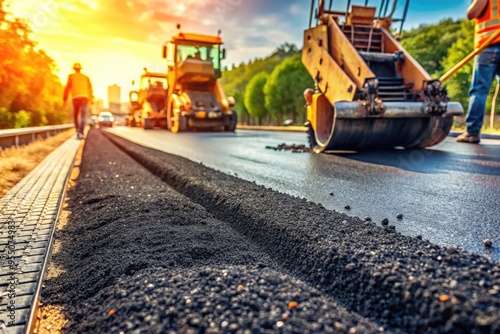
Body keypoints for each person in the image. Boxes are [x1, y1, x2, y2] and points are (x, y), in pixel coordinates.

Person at [457, 0, 500, 144]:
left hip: (489, 46)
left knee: (479, 91)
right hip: (491, 43)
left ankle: (472, 132)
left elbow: (472, 13)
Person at [63, 63, 93, 139]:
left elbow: (67, 88)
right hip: (85, 97)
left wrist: (65, 99)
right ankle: (81, 132)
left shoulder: (71, 76)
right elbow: (90, 89)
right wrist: (91, 99)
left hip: (76, 97)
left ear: (74, 69)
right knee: (83, 116)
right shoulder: (86, 77)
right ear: (80, 69)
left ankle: (77, 130)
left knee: (76, 114)